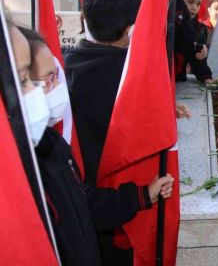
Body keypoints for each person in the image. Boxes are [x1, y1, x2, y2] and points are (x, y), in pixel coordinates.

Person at [16, 26, 174, 266]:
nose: (58, 86)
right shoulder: (17, 168)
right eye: (46, 78)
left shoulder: (50, 143)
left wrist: (140, 196)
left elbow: (82, 205)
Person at [64, 0, 174, 264]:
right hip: (113, 219)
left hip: (85, 218)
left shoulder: (68, 64)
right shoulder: (127, 83)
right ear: (130, 30)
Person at [176, 0, 214, 84]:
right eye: (190, 2)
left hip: (179, 82)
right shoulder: (167, 25)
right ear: (177, 1)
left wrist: (206, 77)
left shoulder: (197, 29)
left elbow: (197, 59)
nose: (194, 8)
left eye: (198, 4)